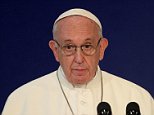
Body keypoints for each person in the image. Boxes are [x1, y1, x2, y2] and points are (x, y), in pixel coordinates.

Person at [2, 8, 154, 115]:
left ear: (101, 48)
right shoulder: (23, 99)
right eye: (69, 47)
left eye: (87, 46)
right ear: (55, 50)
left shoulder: (137, 97)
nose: (79, 59)